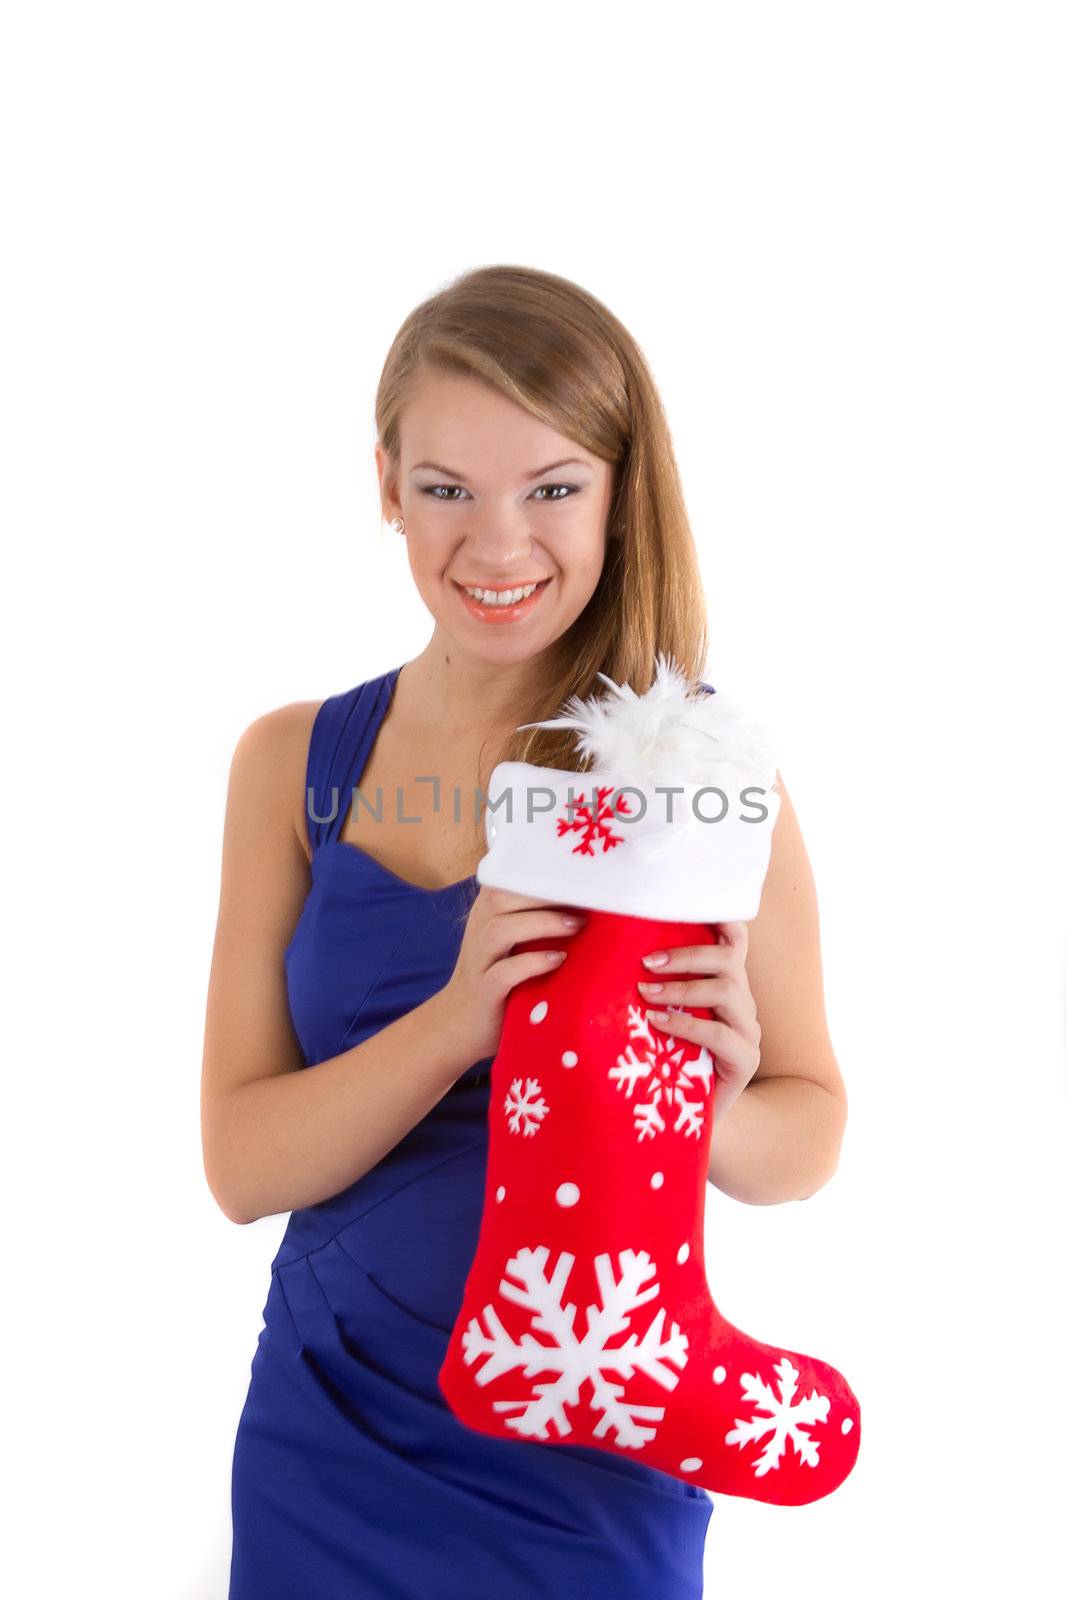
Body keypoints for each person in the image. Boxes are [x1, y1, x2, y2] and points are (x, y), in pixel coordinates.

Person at [200, 263, 849, 1599]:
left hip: (591, 1444)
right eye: (447, 490)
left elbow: (811, 1130)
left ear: (620, 493)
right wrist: (458, 1022)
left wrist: (708, 1107)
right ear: (386, 485)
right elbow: (241, 1164)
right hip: (326, 1437)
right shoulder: (292, 764)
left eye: (552, 489)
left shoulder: (705, 773)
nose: (497, 549)